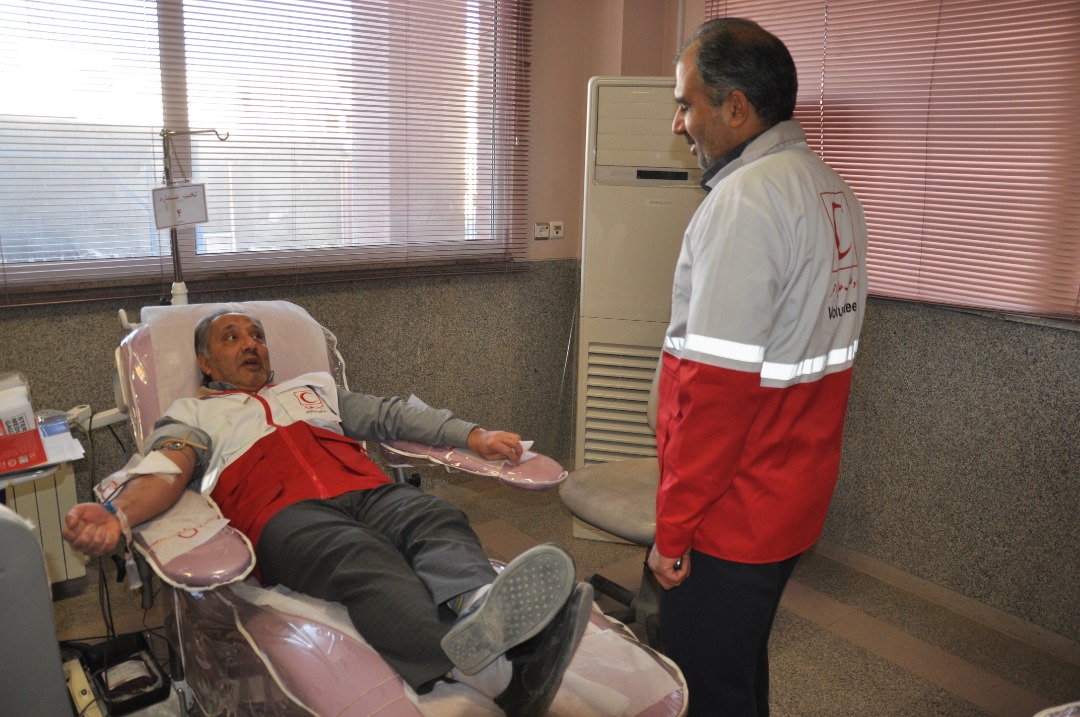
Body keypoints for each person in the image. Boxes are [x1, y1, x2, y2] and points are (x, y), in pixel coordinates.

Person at [63, 307, 592, 717]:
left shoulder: (313, 389)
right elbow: (166, 470)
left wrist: (472, 435)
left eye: (257, 335)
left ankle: (480, 607)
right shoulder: (192, 413)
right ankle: (492, 676)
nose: (251, 343)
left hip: (367, 490)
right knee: (361, 558)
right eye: (232, 337)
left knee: (433, 516)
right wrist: (118, 515)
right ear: (205, 362)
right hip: (286, 516)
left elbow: (391, 416)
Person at [646, 18, 869, 717]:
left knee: (701, 685)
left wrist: (673, 529)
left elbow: (716, 395)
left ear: (736, 107)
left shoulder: (746, 201)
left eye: (687, 104)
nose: (678, 123)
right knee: (737, 666)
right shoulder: (830, 189)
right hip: (790, 494)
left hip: (732, 509)